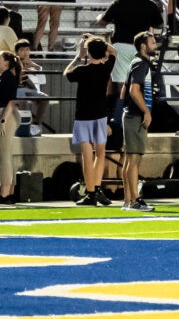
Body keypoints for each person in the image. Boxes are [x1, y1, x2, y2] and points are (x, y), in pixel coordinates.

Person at [117, 29, 165, 211]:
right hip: (135, 116)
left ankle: (128, 200)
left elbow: (124, 91)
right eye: (152, 43)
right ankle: (135, 201)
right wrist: (146, 112)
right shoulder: (141, 64)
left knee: (130, 159)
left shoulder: (136, 62)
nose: (155, 46)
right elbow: (133, 90)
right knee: (134, 159)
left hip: (131, 115)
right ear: (143, 46)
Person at [64, 36, 115, 203]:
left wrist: (79, 55)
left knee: (87, 156)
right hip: (100, 116)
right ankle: (97, 188)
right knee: (100, 154)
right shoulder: (106, 68)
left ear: (89, 52)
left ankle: (91, 192)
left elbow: (66, 73)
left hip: (83, 117)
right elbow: (114, 52)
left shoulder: (81, 70)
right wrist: (97, 41)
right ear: (103, 52)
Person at [0, 39, 35, 196]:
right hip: (2, 114)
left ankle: (4, 193)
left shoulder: (8, 78)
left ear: (7, 63)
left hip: (5, 115)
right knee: (6, 155)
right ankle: (9, 192)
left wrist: (3, 121)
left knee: (4, 157)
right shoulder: (5, 77)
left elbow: (11, 101)